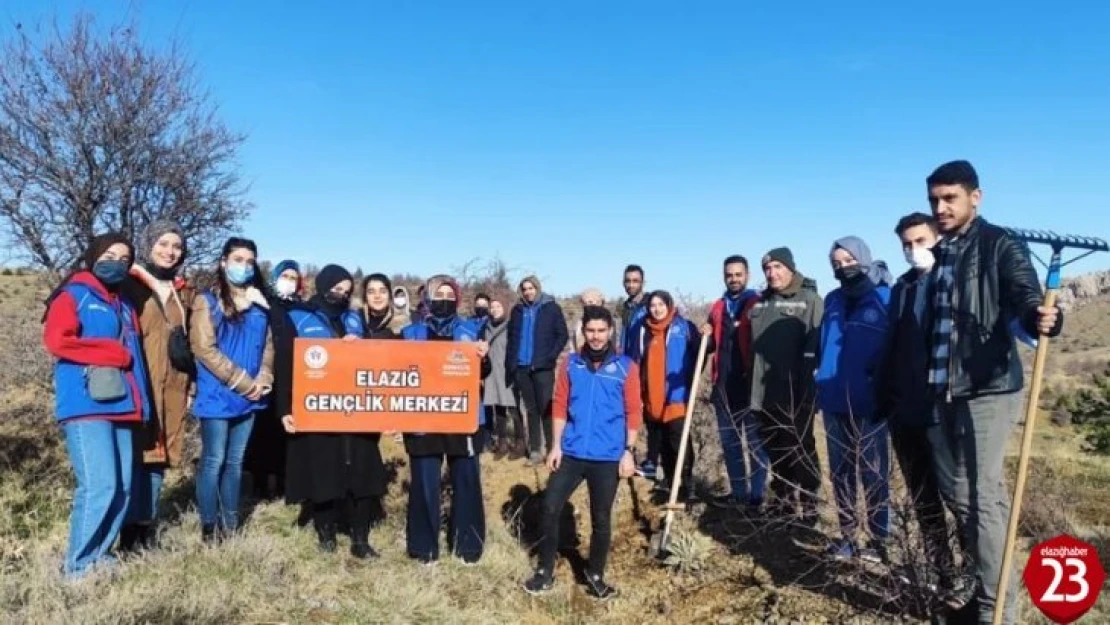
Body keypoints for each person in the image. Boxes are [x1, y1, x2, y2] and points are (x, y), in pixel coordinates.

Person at [922, 160, 1062, 624]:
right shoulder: (941, 254)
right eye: (934, 200)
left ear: (975, 197)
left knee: (983, 499)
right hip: (943, 391)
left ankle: (998, 610)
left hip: (988, 388)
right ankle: (987, 586)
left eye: (950, 199)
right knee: (963, 499)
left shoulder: (999, 243)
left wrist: (1038, 317)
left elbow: (1023, 295)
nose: (940, 208)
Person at [43, 232, 153, 577]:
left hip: (123, 403)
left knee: (121, 486)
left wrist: (143, 404)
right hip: (86, 405)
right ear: (93, 255)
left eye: (124, 259)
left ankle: (100, 557)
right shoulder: (73, 294)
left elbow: (135, 357)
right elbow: (57, 341)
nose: (116, 263)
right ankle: (77, 566)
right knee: (99, 485)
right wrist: (110, 353)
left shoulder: (123, 303)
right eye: (110, 255)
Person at [522, 306, 641, 599]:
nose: (597, 337)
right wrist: (556, 445)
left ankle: (595, 574)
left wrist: (628, 451)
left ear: (610, 331)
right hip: (573, 451)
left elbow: (633, 411)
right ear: (583, 332)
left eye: (602, 331)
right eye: (591, 331)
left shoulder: (626, 367)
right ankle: (545, 571)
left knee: (601, 518)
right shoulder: (570, 364)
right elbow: (560, 405)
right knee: (550, 507)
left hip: (607, 456)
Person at [875, 212, 964, 604]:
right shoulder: (902, 287)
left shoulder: (955, 281)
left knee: (958, 499)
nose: (914, 250)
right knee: (924, 500)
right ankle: (943, 576)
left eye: (921, 241)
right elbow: (893, 345)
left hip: (942, 411)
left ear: (937, 238)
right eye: (907, 244)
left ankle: (977, 577)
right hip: (905, 411)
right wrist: (886, 396)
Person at [280, 265, 387, 559]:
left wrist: (359, 346)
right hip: (317, 410)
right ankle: (326, 536)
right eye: (336, 288)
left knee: (363, 474)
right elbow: (286, 365)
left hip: (356, 409)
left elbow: (374, 359)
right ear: (323, 285)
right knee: (324, 473)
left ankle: (360, 539)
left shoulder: (354, 319)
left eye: (346, 290)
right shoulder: (299, 317)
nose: (340, 294)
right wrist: (285, 408)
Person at [401, 275, 492, 565]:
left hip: (462, 417)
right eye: (438, 293)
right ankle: (423, 549)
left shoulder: (471, 329)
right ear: (427, 297)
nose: (444, 299)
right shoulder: (410, 333)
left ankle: (468, 547)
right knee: (425, 484)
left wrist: (484, 357)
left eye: (449, 294)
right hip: (422, 418)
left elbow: (483, 372)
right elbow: (393, 369)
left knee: (466, 480)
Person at [189, 237, 274, 542]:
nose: (244, 266)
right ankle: (209, 525)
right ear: (223, 261)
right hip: (219, 394)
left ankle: (231, 522)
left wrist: (264, 377)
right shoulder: (208, 301)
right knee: (214, 460)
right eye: (238, 259)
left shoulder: (259, 303)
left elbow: (267, 345)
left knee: (236, 462)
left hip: (250, 396)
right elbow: (204, 348)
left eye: (250, 261)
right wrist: (241, 381)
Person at [117, 220, 194, 551]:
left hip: (173, 388)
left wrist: (191, 387)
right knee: (132, 460)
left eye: (176, 246)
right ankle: (123, 532)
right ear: (148, 245)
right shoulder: (128, 285)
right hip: (136, 385)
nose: (170, 251)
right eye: (163, 243)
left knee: (158, 462)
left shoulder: (183, 291)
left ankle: (144, 533)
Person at [815, 236, 893, 562]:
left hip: (871, 403)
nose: (843, 268)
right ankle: (847, 537)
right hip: (834, 400)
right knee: (841, 473)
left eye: (848, 261)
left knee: (874, 474)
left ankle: (879, 541)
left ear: (863, 258)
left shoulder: (885, 298)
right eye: (837, 264)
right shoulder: (832, 300)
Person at [749, 247, 824, 526]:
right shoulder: (760, 304)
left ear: (791, 269)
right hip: (763, 394)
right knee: (775, 451)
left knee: (801, 451)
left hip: (795, 395)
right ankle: (783, 503)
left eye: (778, 267)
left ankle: (809, 506)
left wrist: (807, 392)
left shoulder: (810, 301)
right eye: (768, 269)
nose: (772, 273)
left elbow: (816, 349)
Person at [701, 255, 768, 510]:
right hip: (724, 387)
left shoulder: (757, 303)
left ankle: (757, 495)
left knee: (755, 445)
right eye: (729, 274)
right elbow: (710, 344)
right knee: (730, 445)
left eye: (738, 274)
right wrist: (704, 335)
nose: (734, 279)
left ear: (747, 275)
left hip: (751, 387)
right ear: (724, 276)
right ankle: (739, 492)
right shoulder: (718, 307)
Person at [625, 291, 701, 501]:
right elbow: (633, 359)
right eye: (653, 305)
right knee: (662, 443)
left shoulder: (684, 327)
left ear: (669, 305)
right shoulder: (641, 329)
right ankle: (670, 482)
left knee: (679, 441)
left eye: (661, 305)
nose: (657, 309)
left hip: (677, 395)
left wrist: (690, 376)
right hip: (651, 396)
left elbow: (703, 349)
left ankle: (687, 484)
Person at [244, 259, 302, 501]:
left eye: (293, 278)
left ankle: (280, 485)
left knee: (283, 436)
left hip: (291, 378)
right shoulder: (262, 303)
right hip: (264, 374)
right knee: (261, 432)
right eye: (284, 276)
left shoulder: (301, 310)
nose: (288, 282)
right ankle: (257, 485)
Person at [506, 275, 569, 466]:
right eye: (524, 289)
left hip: (542, 367)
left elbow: (562, 334)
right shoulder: (517, 310)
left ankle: (552, 448)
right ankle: (535, 449)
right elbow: (512, 337)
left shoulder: (550, 308)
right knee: (531, 410)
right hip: (522, 367)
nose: (528, 292)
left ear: (537, 288)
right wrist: (512, 362)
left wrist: (550, 356)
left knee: (546, 408)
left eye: (531, 288)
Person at [484, 296, 527, 460]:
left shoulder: (511, 326)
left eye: (498, 306)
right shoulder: (486, 327)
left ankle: (520, 443)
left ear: (505, 308)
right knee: (498, 409)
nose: (494, 309)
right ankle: (502, 443)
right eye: (492, 306)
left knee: (514, 409)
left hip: (507, 372)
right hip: (491, 373)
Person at [569, 288, 619, 352]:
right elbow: (573, 346)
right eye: (589, 302)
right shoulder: (579, 323)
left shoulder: (609, 322)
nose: (592, 304)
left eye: (596, 301)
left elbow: (613, 344)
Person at [618, 264, 648, 355]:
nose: (631, 285)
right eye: (628, 281)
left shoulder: (650, 306)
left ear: (643, 283)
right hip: (628, 362)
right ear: (623, 283)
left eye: (635, 281)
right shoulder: (626, 307)